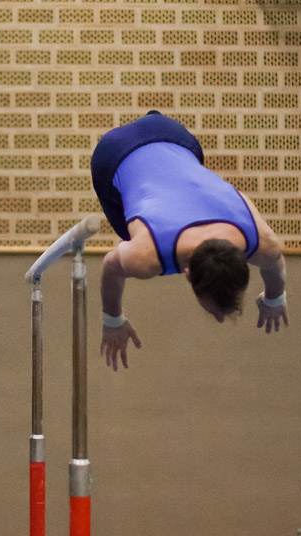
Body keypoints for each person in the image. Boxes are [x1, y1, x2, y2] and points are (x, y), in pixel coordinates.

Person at [90, 111, 287, 370]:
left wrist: (274, 297)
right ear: (188, 274)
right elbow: (110, 265)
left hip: (172, 132)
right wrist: (112, 319)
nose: (219, 320)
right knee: (127, 233)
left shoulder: (261, 241)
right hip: (114, 152)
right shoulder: (148, 254)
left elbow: (275, 264)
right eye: (213, 312)